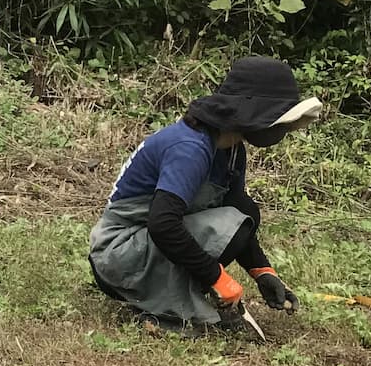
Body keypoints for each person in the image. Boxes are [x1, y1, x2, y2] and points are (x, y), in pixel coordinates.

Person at [89, 56, 322, 329]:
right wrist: (216, 278)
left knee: (244, 212)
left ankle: (177, 297)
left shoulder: (231, 149)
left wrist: (262, 272)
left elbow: (239, 211)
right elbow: (163, 224)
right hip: (119, 256)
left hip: (144, 244)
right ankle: (165, 312)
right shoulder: (189, 147)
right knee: (230, 223)